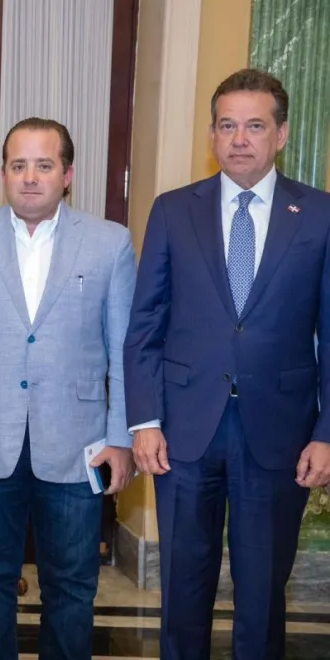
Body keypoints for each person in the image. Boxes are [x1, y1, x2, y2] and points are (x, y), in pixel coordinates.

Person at [125, 68, 330, 659]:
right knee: (182, 588)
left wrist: (326, 433)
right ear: (212, 134)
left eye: (255, 126)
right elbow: (146, 326)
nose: (240, 138)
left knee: (263, 592)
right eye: (227, 125)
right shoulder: (172, 210)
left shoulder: (319, 216)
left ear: (281, 134)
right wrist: (144, 421)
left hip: (280, 432)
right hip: (184, 432)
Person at [0, 118, 136, 659]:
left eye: (44, 165)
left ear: (68, 174)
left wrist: (121, 438)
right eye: (19, 165)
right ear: (3, 174)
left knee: (72, 586)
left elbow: (125, 352)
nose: (30, 177)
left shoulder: (110, 244)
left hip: (78, 444)